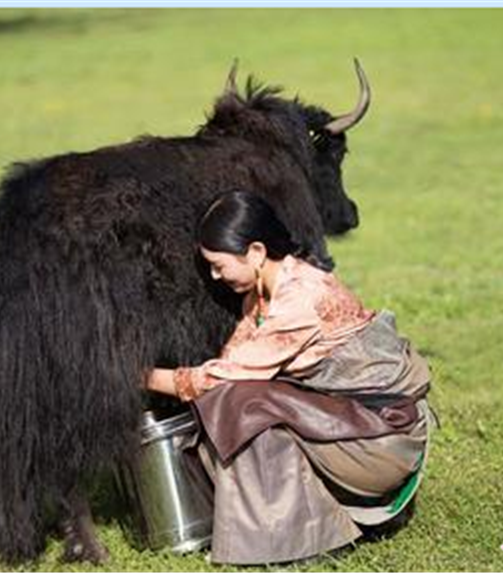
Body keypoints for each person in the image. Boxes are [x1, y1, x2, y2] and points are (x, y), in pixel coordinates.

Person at [146, 190, 437, 565]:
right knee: (237, 400)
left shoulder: (299, 299)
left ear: (255, 251)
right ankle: (297, 527)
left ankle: (294, 541)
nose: (215, 276)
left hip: (382, 443)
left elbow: (218, 380)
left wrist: (137, 376)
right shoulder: (261, 296)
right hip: (352, 426)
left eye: (219, 265)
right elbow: (234, 361)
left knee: (240, 404)